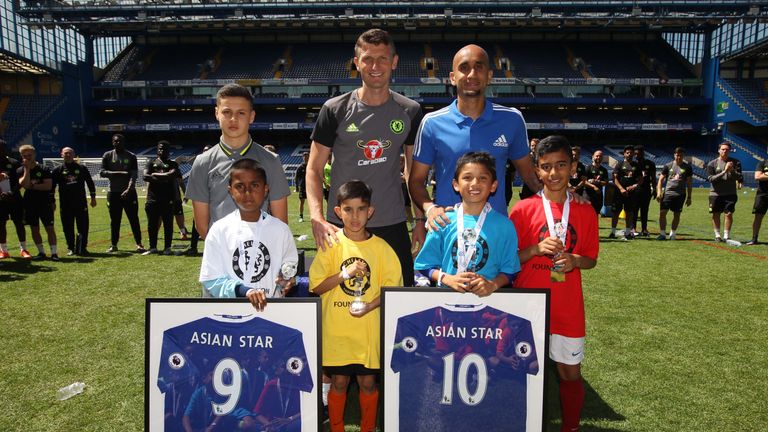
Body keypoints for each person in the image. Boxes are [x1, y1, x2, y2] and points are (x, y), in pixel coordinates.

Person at [306, 28, 422, 287]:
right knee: (339, 300)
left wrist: (420, 220)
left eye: (383, 58)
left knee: (398, 302)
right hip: (341, 226)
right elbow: (313, 169)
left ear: (394, 62)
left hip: (391, 223)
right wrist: (317, 217)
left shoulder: (410, 111)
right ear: (357, 63)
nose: (375, 66)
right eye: (367, 59)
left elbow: (413, 172)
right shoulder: (334, 109)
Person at [409, 44, 541, 249]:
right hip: (447, 233)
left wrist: (564, 197)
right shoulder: (432, 123)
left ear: (489, 76)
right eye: (464, 67)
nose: (472, 74)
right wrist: (429, 209)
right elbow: (416, 181)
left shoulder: (512, 119)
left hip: (495, 235)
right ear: (453, 77)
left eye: (478, 67)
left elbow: (531, 177)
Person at [509, 135, 599, 432]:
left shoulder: (585, 211)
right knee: (521, 372)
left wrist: (574, 259)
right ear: (536, 170)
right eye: (546, 167)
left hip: (567, 308)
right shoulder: (522, 211)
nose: (554, 173)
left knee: (569, 373)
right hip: (528, 305)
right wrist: (535, 250)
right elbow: (509, 262)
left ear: (573, 166)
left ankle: (570, 427)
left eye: (561, 165)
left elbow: (591, 259)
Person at [309, 180, 401, 432]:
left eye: (361, 209)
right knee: (338, 382)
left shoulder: (382, 248)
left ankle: (367, 428)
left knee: (368, 383)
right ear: (338, 212)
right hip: (337, 333)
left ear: (370, 212)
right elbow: (315, 286)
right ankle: (337, 428)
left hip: (367, 334)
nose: (355, 216)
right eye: (348, 209)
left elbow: (392, 291)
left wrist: (370, 306)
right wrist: (344, 274)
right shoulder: (331, 244)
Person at [187, 83, 290, 240]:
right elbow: (201, 226)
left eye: (241, 113)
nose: (233, 119)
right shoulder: (202, 163)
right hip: (220, 255)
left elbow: (281, 221)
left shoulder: (271, 161)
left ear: (252, 116)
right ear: (216, 113)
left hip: (261, 254)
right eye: (227, 112)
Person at [414, 151, 520, 294]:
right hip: (447, 303)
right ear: (456, 184)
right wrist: (446, 278)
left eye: (483, 178)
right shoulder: (443, 221)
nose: (475, 184)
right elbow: (424, 265)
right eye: (467, 178)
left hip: (489, 306)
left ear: (493, 185)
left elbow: (510, 270)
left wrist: (492, 284)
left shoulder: (504, 226)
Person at [199, 158, 297, 307]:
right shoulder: (219, 230)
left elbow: (288, 269)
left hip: (271, 313)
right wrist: (244, 291)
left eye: (254, 185)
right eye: (240, 186)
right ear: (230, 191)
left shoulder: (281, 230)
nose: (248, 192)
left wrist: (286, 280)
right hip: (230, 314)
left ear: (265, 189)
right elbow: (211, 280)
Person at [100, 133, 145, 253]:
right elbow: (102, 172)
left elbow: (134, 175)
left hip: (129, 193)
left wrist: (129, 189)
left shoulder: (131, 156)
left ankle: (139, 244)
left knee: (133, 219)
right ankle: (113, 244)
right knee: (115, 220)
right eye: (115, 141)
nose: (117, 143)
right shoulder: (107, 155)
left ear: (124, 142)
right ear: (112, 142)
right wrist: (119, 173)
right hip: (113, 193)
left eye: (120, 141)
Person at [51, 147, 96, 255]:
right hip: (65, 204)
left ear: (74, 154)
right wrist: (52, 201)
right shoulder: (58, 170)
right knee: (67, 227)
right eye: (65, 153)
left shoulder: (81, 168)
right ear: (61, 154)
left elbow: (90, 182)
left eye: (70, 153)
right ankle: (71, 248)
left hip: (80, 202)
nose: (68, 155)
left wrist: (93, 198)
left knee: (83, 226)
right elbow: (51, 187)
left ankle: (82, 247)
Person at [17, 144, 59, 261]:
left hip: (45, 203)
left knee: (49, 228)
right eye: (24, 155)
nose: (27, 157)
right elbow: (24, 184)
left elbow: (48, 186)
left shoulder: (44, 168)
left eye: (29, 155)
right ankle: (41, 253)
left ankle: (54, 253)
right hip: (29, 204)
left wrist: (31, 186)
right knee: (34, 229)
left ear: (34, 155)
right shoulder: (20, 170)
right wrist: (27, 170)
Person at [142, 140, 179, 255]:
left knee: (168, 224)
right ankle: (152, 247)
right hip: (152, 199)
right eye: (160, 148)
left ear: (169, 151)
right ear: (157, 149)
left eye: (164, 148)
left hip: (168, 199)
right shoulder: (150, 162)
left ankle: (167, 247)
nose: (161, 150)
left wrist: (154, 175)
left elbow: (172, 175)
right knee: (152, 224)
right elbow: (145, 176)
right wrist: (164, 178)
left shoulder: (173, 164)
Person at [0, 138, 32, 259]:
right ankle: (3, 250)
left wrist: (11, 192)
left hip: (14, 199)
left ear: (5, 149)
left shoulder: (14, 163)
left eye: (1, 149)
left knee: (19, 223)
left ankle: (23, 249)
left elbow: (20, 182)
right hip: (0, 200)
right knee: (1, 225)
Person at [706, 142, 743, 242]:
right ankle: (717, 235)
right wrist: (724, 171)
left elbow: (739, 177)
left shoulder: (736, 162)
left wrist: (731, 171)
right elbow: (711, 179)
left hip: (730, 193)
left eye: (727, 149)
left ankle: (726, 236)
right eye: (723, 149)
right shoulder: (712, 163)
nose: (725, 151)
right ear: (719, 150)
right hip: (715, 194)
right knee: (716, 214)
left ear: (730, 151)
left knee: (729, 214)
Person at [656, 147, 693, 241]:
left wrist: (689, 197)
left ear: (683, 156)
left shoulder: (687, 167)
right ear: (674, 155)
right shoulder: (668, 166)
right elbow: (660, 180)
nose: (678, 157)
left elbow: (689, 183)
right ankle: (662, 234)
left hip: (680, 194)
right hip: (668, 193)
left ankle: (673, 233)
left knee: (677, 214)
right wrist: (659, 192)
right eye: (677, 155)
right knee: (662, 213)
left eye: (680, 155)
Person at [609, 145, 642, 240]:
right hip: (619, 193)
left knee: (629, 212)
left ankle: (628, 232)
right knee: (616, 212)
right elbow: (614, 178)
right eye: (627, 153)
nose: (629, 154)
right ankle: (613, 232)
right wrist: (621, 189)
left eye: (631, 153)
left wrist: (634, 186)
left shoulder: (636, 166)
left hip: (631, 194)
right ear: (624, 154)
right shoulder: (619, 164)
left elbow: (640, 179)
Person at [634, 145, 656, 237]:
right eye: (635, 154)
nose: (636, 155)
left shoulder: (650, 164)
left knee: (644, 210)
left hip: (646, 190)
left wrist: (654, 189)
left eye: (638, 153)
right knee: (634, 210)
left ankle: (644, 229)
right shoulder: (633, 164)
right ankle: (633, 228)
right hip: (634, 190)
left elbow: (653, 178)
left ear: (643, 153)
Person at [746, 157, 767, 245]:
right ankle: (754, 239)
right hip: (762, 194)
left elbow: (761, 176)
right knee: (758, 217)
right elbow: (757, 176)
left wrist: (765, 175)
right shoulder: (762, 163)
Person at [583, 149, 608, 216]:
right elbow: (584, 182)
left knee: (595, 214)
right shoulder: (587, 168)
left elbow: (606, 182)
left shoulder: (604, 170)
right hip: (588, 195)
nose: (598, 157)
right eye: (597, 156)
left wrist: (598, 182)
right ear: (593, 157)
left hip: (598, 195)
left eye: (600, 156)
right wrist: (594, 186)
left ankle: (594, 227)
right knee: (586, 213)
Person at [295, 151, 309, 222]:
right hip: (302, 187)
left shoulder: (311, 166)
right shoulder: (300, 167)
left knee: (312, 203)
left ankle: (314, 217)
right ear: (302, 157)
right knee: (302, 202)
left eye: (307, 156)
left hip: (310, 187)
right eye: (304, 156)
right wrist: (297, 187)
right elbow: (296, 177)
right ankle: (301, 216)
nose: (306, 158)